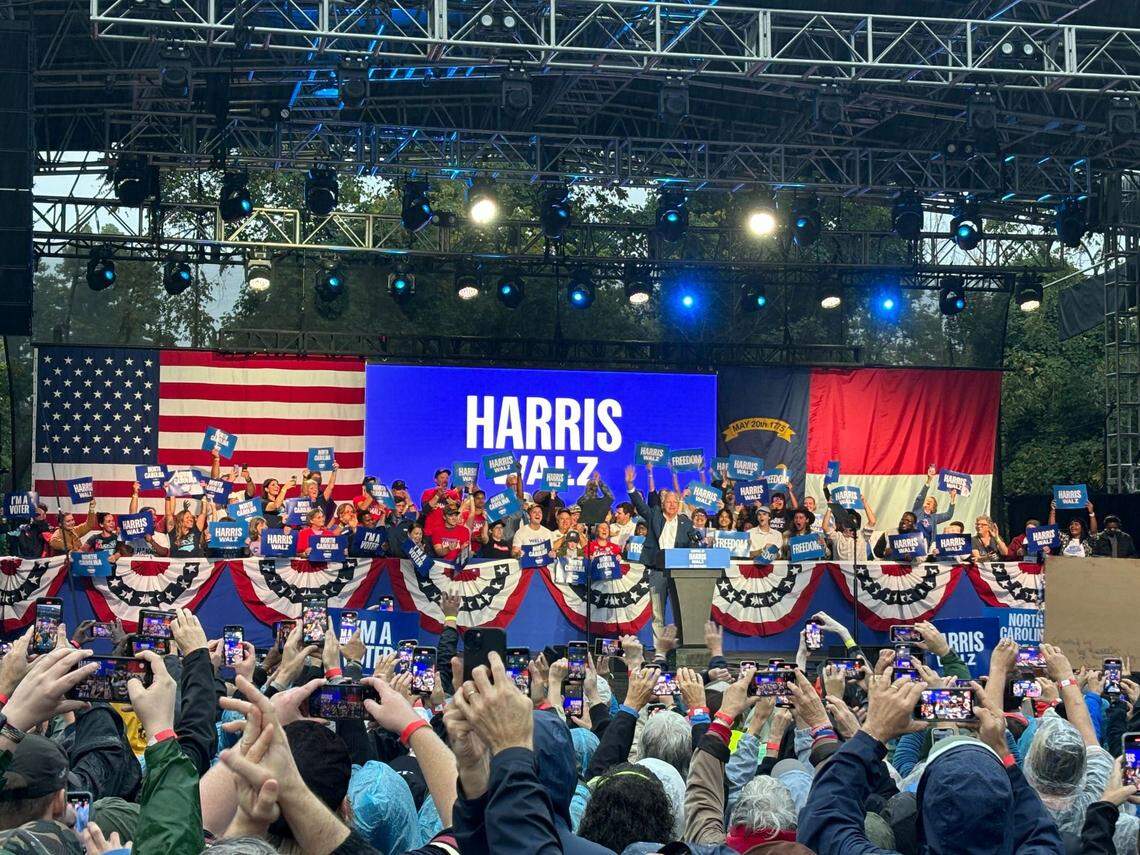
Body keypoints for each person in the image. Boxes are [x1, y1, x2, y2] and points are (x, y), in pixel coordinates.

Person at [625, 465, 695, 648]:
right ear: (663, 504)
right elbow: (640, 506)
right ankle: (659, 650)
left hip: (679, 573)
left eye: (675, 502)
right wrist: (630, 485)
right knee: (658, 612)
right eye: (669, 502)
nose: (672, 505)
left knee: (681, 611)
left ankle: (681, 647)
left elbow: (692, 546)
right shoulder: (654, 514)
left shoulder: (685, 522)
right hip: (658, 571)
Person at [913, 466, 958, 543]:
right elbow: (920, 498)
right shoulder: (916, 511)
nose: (928, 501)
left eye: (931, 501)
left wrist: (953, 498)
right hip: (915, 543)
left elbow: (948, 515)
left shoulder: (934, 517)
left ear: (933, 507)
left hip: (928, 546)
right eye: (926, 500)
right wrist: (929, 480)